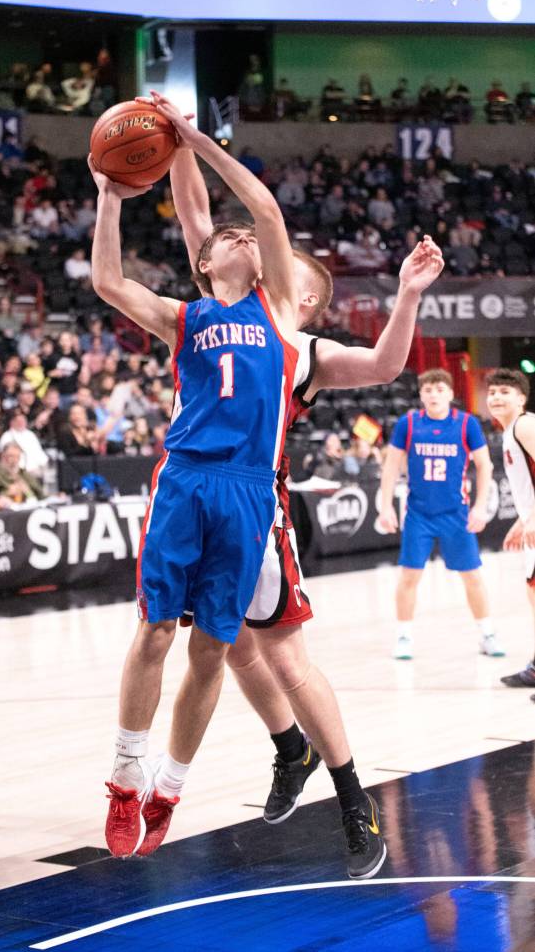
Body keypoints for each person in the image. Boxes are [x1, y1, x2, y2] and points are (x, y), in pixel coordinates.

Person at [168, 119, 443, 879]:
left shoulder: (304, 344)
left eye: (291, 268)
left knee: (282, 653)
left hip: (259, 504)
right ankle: (289, 748)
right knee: (231, 644)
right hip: (201, 495)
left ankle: (352, 793)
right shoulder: (219, 306)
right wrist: (175, 145)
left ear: (307, 297)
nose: (263, 254)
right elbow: (197, 222)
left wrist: (407, 295)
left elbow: (388, 363)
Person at [92, 92, 301, 863]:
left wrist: (193, 139)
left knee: (212, 647)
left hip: (250, 488)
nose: (241, 235)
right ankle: (123, 774)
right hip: (186, 477)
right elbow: (110, 283)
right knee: (153, 629)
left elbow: (267, 210)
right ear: (205, 260)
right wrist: (109, 199)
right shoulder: (186, 315)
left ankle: (169, 786)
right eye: (225, 237)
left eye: (245, 236)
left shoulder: (279, 306)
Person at [379, 369, 502, 660]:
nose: (433, 394)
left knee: (472, 576)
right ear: (421, 395)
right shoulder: (408, 424)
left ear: (449, 394)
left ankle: (487, 634)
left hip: (456, 514)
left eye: (439, 389)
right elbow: (391, 466)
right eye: (427, 390)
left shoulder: (466, 424)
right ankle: (404, 636)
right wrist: (384, 506)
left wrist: (481, 505)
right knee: (409, 575)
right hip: (418, 514)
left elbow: (485, 465)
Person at [485, 369, 535, 692]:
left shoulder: (525, 425)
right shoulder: (510, 431)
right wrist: (523, 520)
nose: (497, 397)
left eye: (505, 391)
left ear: (522, 398)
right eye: (492, 392)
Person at [0, 442, 44, 509]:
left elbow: (41, 495)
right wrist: (7, 493)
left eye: (18, 457)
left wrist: (27, 490)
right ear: (2, 456)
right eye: (11, 456)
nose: (15, 460)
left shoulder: (23, 474)